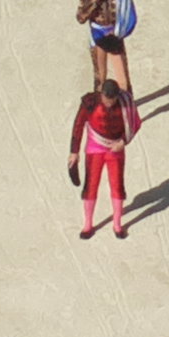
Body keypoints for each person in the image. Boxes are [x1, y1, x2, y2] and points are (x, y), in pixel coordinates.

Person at [69, 78, 141, 239]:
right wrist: (74, 151)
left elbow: (135, 123)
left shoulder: (125, 103)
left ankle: (117, 223)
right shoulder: (90, 102)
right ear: (101, 94)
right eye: (106, 99)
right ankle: (88, 223)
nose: (109, 103)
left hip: (115, 148)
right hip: (95, 147)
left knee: (117, 184)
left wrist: (123, 141)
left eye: (112, 100)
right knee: (91, 184)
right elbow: (79, 125)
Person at [76, 0, 136, 93]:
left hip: (114, 35)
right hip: (97, 35)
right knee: (99, 75)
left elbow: (127, 12)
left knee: (122, 75)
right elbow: (80, 18)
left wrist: (118, 32)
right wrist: (93, 1)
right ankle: (99, 107)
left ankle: (127, 105)